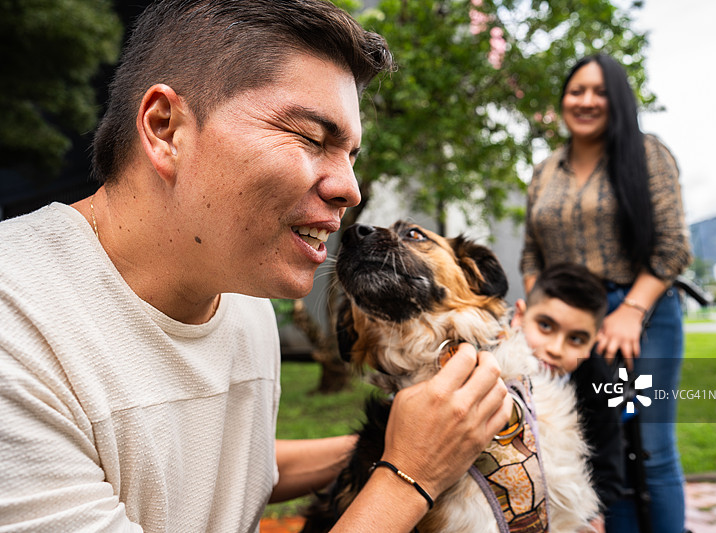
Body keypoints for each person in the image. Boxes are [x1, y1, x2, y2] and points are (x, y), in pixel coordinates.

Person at [0, 2, 513, 532]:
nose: (350, 189)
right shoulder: (17, 328)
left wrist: (420, 437)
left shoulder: (244, 302)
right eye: (313, 139)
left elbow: (231, 470)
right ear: (165, 127)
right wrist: (409, 474)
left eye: (351, 156)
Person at [520, 53, 692, 533]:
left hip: (641, 317)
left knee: (651, 449)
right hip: (571, 326)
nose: (586, 100)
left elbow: (673, 246)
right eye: (576, 90)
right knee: (595, 443)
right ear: (563, 100)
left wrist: (630, 312)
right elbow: (533, 256)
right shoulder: (544, 170)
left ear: (617, 100)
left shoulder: (647, 153)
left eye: (599, 91)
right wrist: (542, 318)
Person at [511, 262, 625, 533]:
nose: (555, 349)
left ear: (591, 345)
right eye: (545, 326)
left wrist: (589, 513)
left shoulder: (596, 384)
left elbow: (609, 467)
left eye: (576, 339)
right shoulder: (489, 361)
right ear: (519, 316)